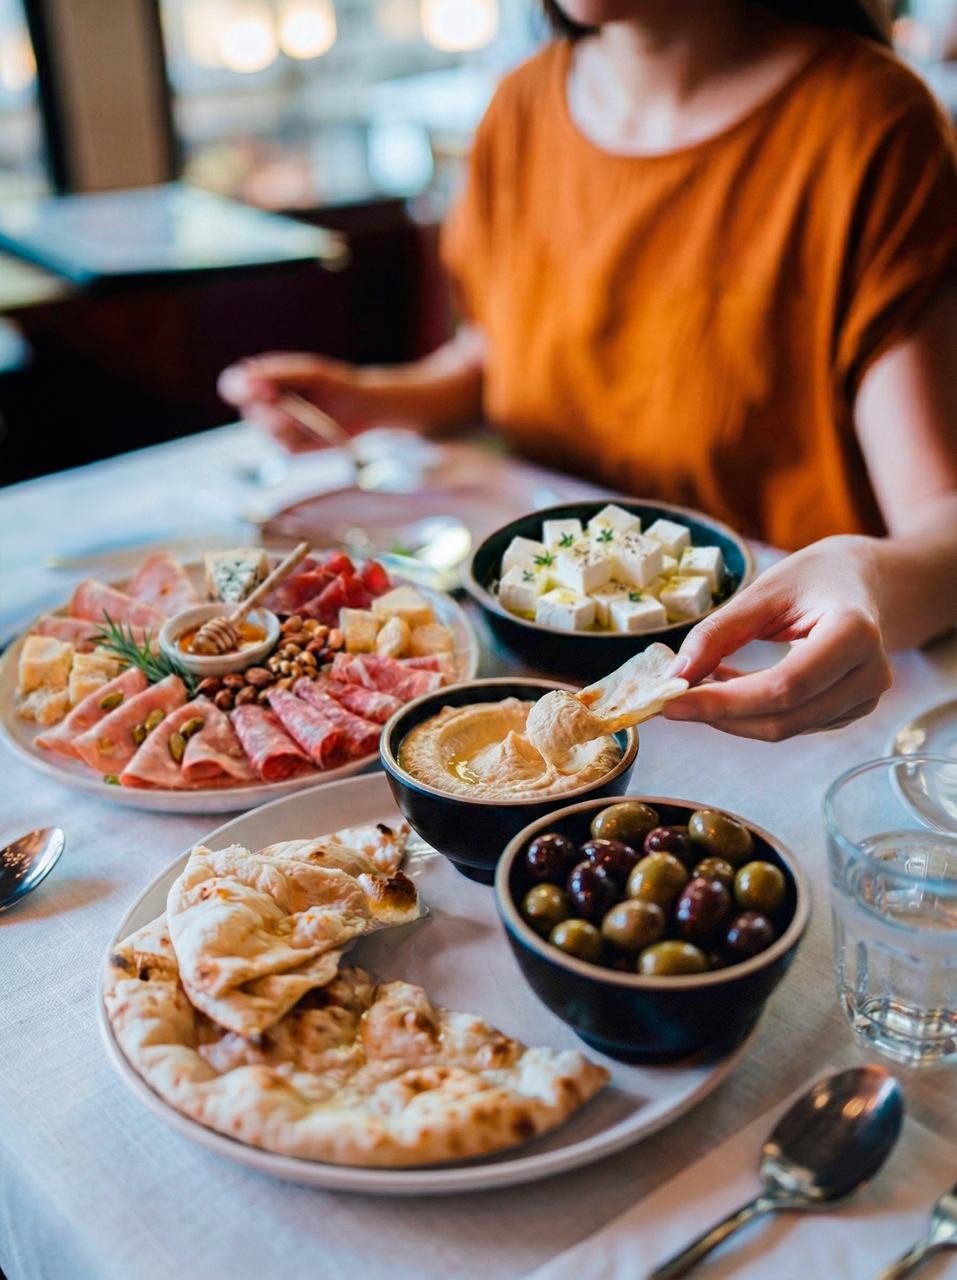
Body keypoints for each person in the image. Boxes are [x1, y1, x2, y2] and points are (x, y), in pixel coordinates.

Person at [219, 0, 957, 742]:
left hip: (774, 689)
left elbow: (942, 525)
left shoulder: (870, 124)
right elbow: (502, 358)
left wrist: (868, 583)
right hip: (522, 672)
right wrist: (369, 398)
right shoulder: (521, 105)